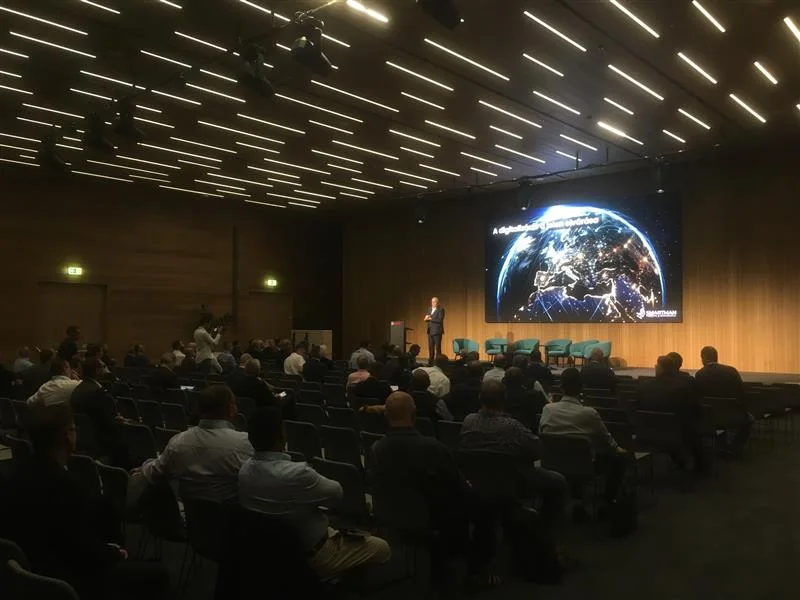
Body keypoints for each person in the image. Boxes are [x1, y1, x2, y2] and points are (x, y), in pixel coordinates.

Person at [0, 403, 170, 600]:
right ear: (67, 437)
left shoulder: (16, 472)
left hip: (30, 569)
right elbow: (82, 550)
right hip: (66, 579)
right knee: (158, 574)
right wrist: (114, 552)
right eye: (74, 429)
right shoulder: (63, 485)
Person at [239, 406, 391, 581]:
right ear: (281, 436)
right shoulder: (298, 474)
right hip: (314, 554)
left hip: (270, 551)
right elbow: (337, 493)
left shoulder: (244, 471)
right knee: (383, 548)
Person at [370, 392, 468, 558]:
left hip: (391, 514)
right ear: (414, 415)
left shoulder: (376, 449)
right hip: (430, 518)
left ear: (386, 416)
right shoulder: (434, 448)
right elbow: (457, 486)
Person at [460, 380, 568, 531]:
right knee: (558, 481)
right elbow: (537, 450)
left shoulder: (468, 421)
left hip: (477, 480)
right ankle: (544, 530)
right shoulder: (512, 426)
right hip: (515, 481)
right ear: (504, 399)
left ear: (480, 398)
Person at [137, 385, 253, 502]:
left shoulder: (178, 442)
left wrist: (144, 468)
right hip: (232, 511)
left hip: (191, 512)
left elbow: (156, 472)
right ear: (231, 410)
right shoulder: (245, 443)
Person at [540, 368, 629, 509]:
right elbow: (608, 440)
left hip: (552, 464)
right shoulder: (589, 413)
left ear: (561, 387)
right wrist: (619, 448)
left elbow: (542, 433)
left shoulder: (547, 409)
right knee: (619, 459)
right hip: (584, 466)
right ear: (582, 387)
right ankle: (608, 502)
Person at [639, 355, 706, 473]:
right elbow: (695, 409)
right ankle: (700, 467)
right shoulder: (683, 386)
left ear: (660, 369)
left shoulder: (644, 386)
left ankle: (679, 460)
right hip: (677, 431)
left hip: (648, 431)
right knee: (693, 428)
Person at [71, 358, 130, 467]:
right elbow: (108, 423)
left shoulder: (77, 389)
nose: (106, 369)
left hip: (84, 438)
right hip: (101, 440)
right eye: (104, 367)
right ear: (97, 371)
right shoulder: (97, 393)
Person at [695, 346, 752, 456]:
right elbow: (742, 393)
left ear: (703, 358)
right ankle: (734, 449)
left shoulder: (700, 374)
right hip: (732, 415)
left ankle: (719, 447)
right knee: (748, 420)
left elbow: (698, 396)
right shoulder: (731, 371)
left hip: (709, 417)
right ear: (716, 357)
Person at [504, 366, 547, 431]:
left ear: (505, 380)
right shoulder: (534, 395)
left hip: (506, 430)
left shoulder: (501, 396)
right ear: (522, 379)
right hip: (529, 429)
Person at [424, 296, 445, 364]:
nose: (433, 303)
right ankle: (431, 361)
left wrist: (430, 319)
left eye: (434, 302)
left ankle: (438, 362)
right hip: (430, 331)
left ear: (437, 303)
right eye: (432, 302)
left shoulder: (441, 309)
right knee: (430, 347)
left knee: (438, 348)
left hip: (437, 331)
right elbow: (427, 317)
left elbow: (440, 320)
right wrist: (426, 319)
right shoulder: (429, 309)